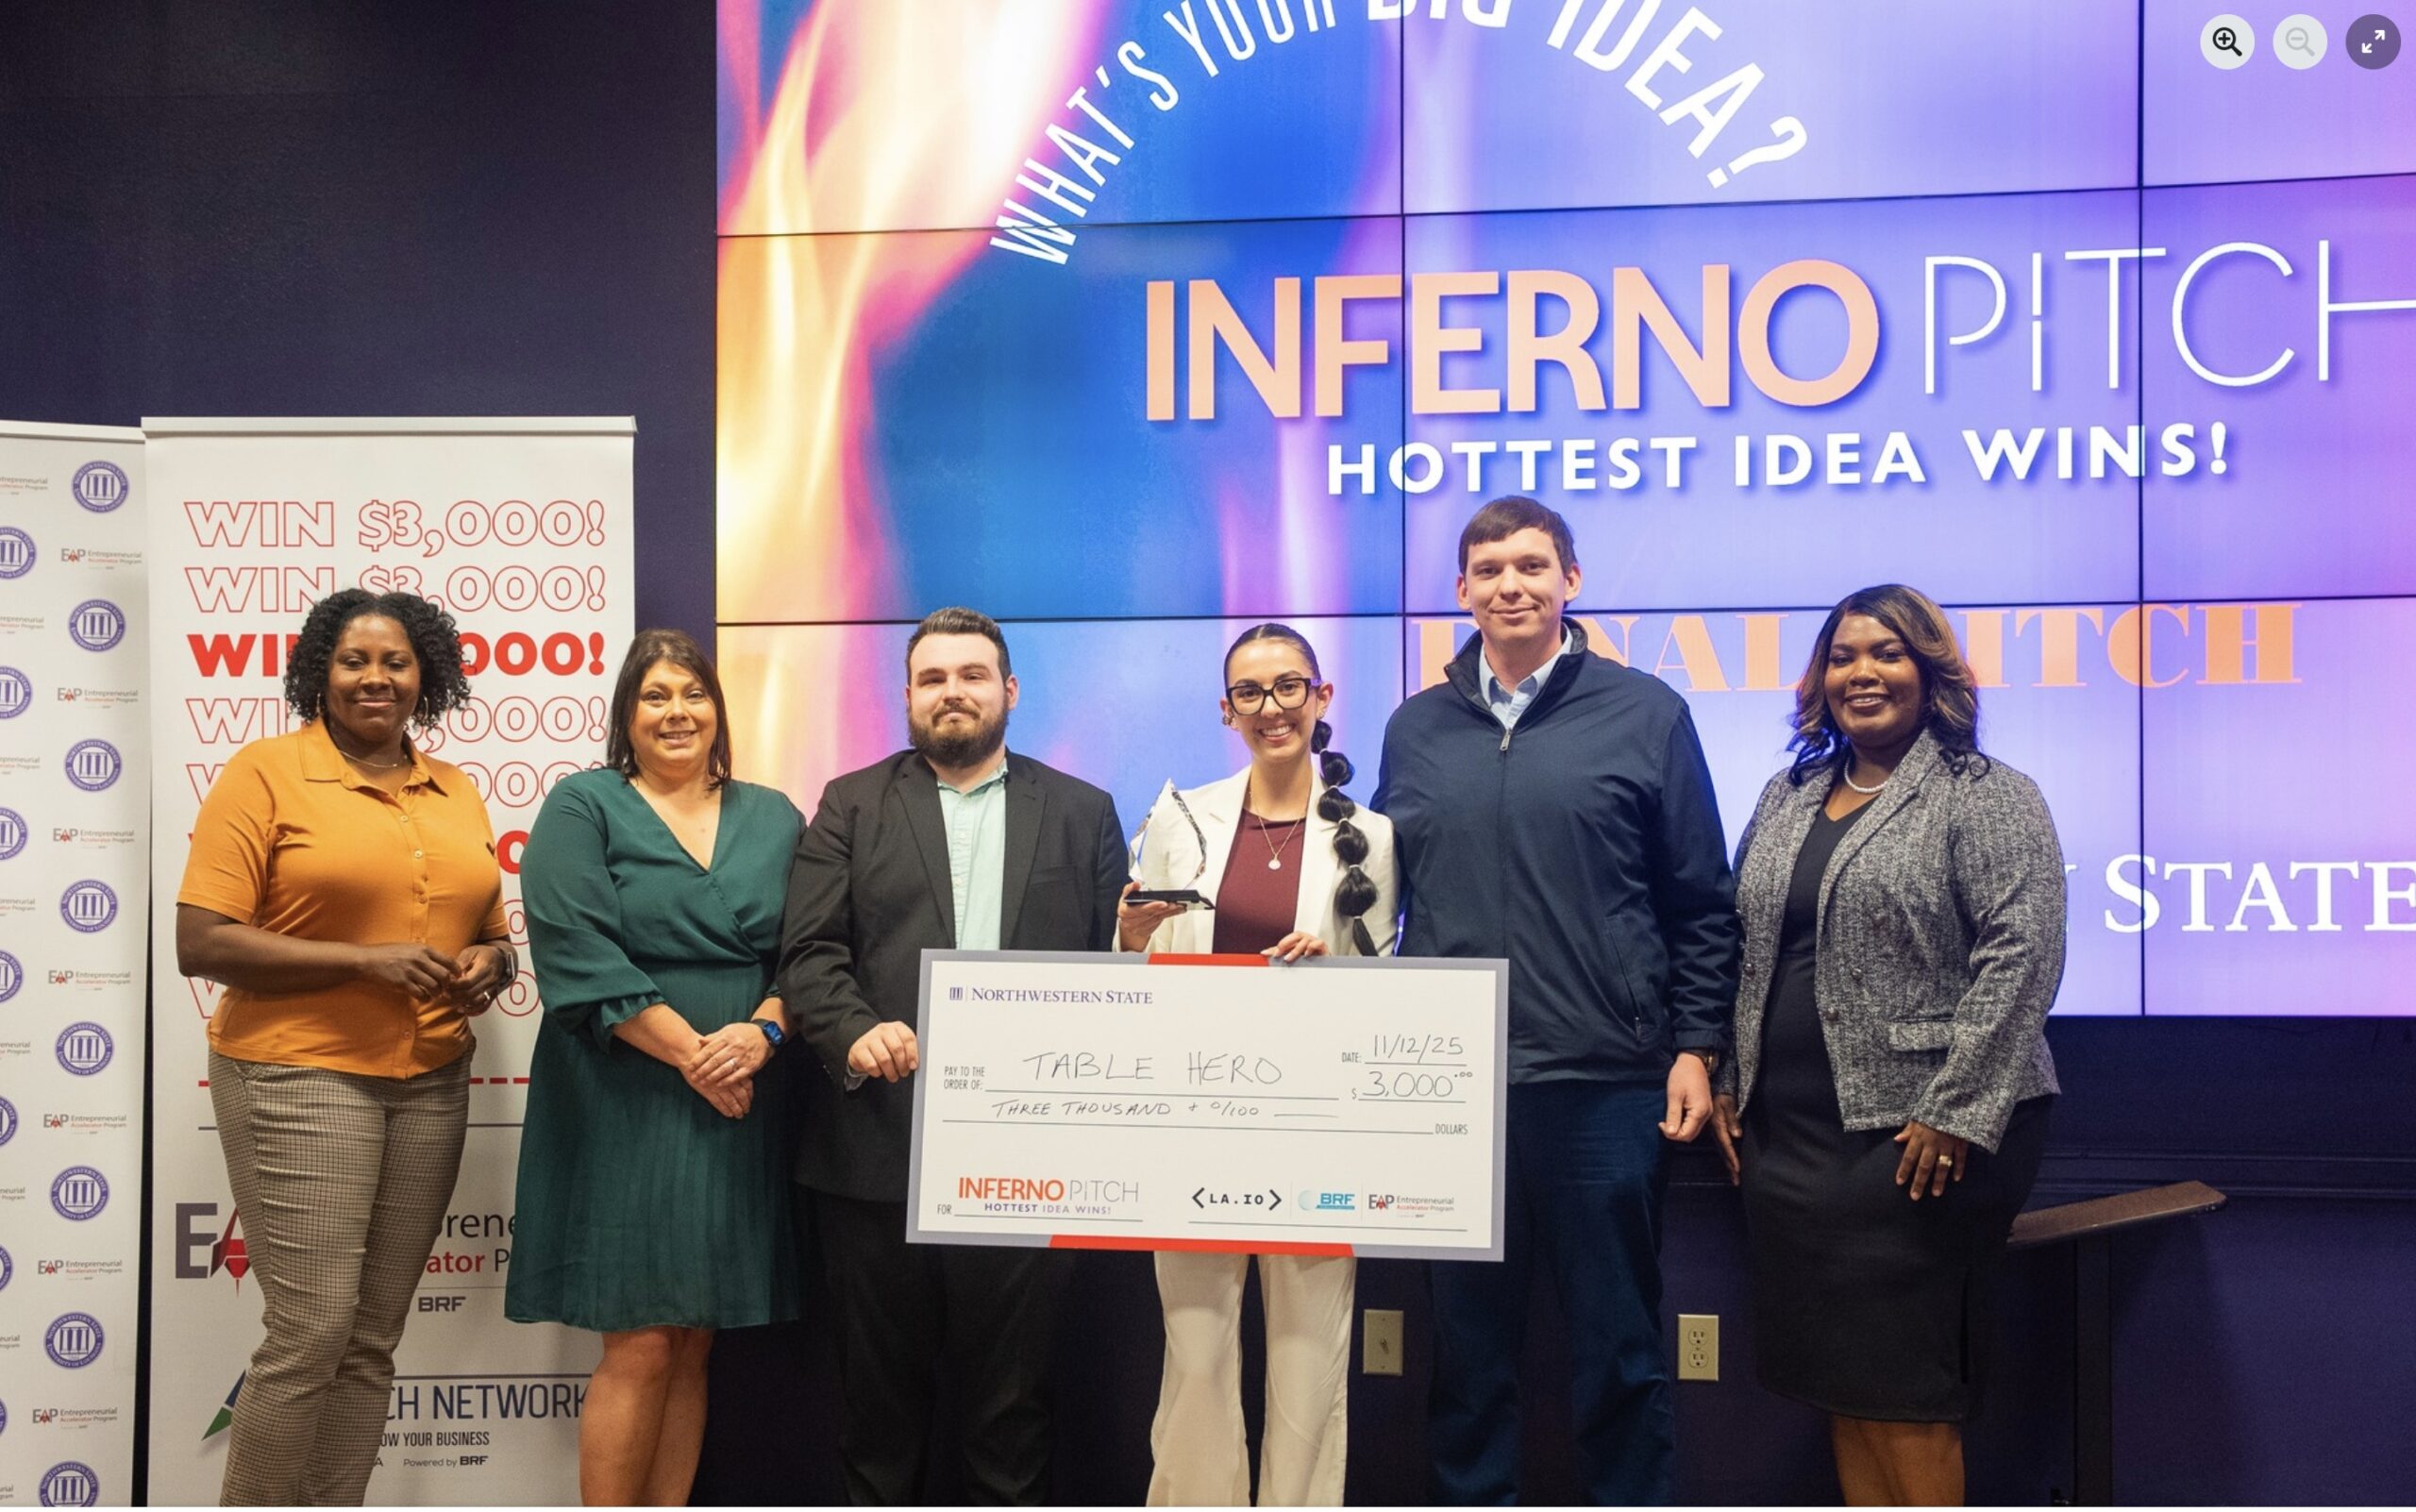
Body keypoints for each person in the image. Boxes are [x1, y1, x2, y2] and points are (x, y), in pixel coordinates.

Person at [1373, 496, 1738, 1506]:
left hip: (1606, 1087)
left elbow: (1702, 903)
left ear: (1569, 581)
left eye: (1531, 566)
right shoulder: (1415, 728)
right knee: (1466, 1358)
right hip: (1451, 1091)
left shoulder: (1646, 713)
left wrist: (1694, 1047)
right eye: (1488, 570)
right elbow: (1379, 897)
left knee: (1618, 1351)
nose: (1511, 585)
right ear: (1461, 593)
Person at [1708, 585, 2062, 1507]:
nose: (1861, 672)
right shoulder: (1786, 795)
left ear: (1930, 671)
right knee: (1844, 1383)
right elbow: (1746, 947)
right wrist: (1728, 1076)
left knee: (1903, 1390)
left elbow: (2023, 954)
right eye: (1842, 655)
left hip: (1917, 1145)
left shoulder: (1985, 796)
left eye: (1887, 654)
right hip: (1793, 1141)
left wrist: (1954, 1110)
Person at [778, 606, 1129, 1505]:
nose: (953, 694)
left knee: (1011, 1419)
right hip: (874, 1153)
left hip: (1030, 1161)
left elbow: (1110, 980)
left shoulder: (1084, 814)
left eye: (972, 676)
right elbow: (811, 955)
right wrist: (856, 1029)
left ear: (1008, 691)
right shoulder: (850, 803)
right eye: (933, 679)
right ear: (906, 697)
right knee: (878, 1420)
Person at [175, 589, 514, 1506]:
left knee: (370, 1336)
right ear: (319, 674)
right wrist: (360, 963)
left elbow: (487, 924)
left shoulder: (456, 788)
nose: (376, 677)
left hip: (432, 1082)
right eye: (354, 660)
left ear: (425, 676)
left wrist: (493, 956)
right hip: (297, 1073)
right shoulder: (267, 774)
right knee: (312, 1331)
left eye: (395, 661)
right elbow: (200, 941)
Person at [507, 629, 804, 1505]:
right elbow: (575, 951)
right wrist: (697, 1058)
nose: (677, 712)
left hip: (744, 1084)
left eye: (693, 694)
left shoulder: (777, 814)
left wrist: (765, 1033)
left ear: (718, 711)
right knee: (639, 1339)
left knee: (696, 1335)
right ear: (625, 718)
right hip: (625, 1090)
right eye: (655, 697)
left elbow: (812, 949)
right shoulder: (582, 806)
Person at [1117, 623, 1400, 1507]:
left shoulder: (1375, 838)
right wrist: (1128, 942)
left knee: (1310, 1361)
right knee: (1196, 1358)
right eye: (1250, 691)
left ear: (1322, 699)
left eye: (1289, 688)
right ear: (1225, 708)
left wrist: (1336, 969)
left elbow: (1386, 996)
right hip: (1193, 1125)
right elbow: (1139, 976)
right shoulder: (1178, 817)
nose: (1270, 708)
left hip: (1317, 1131)